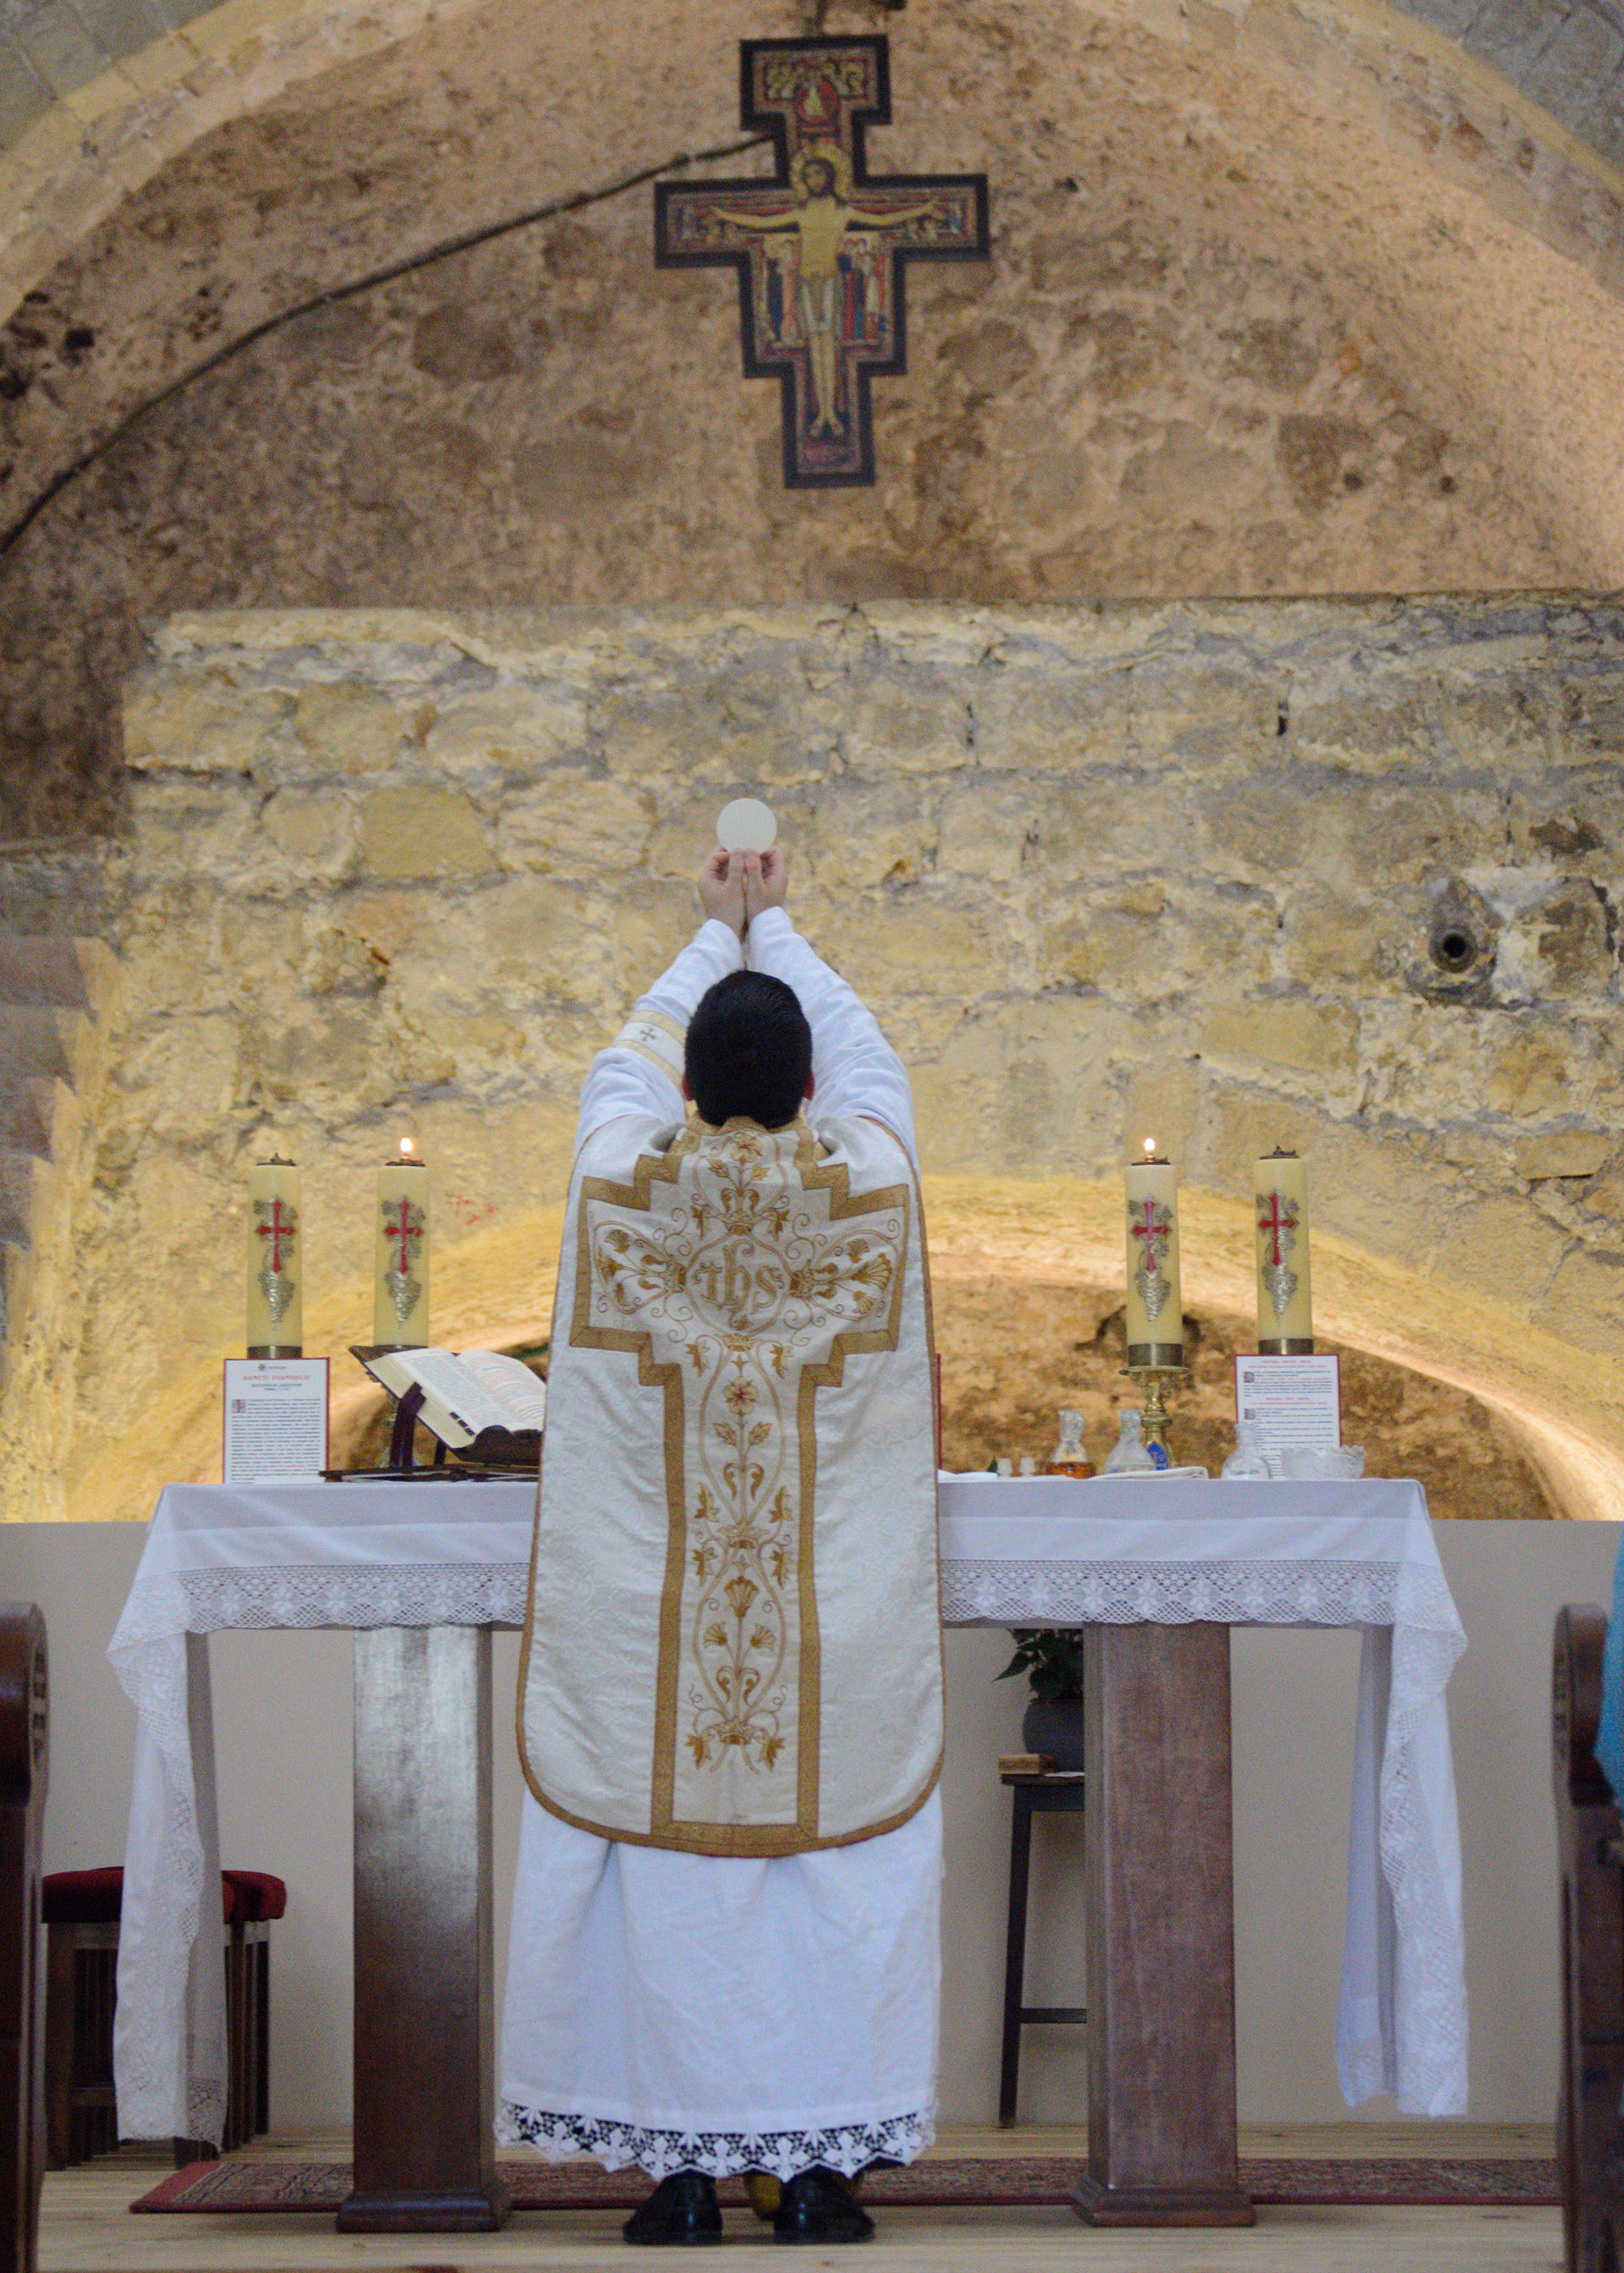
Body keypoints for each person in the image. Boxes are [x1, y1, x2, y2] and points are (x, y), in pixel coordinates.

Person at [501, 844, 942, 2247]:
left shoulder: (619, 1177)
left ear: (686, 1089)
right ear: (810, 1090)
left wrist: (711, 935)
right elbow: (875, 1057)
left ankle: (679, 2179)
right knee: (833, 1881)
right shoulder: (868, 1176)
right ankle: (818, 2179)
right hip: (829, 1630)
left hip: (657, 1627)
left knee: (664, 1886)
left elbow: (616, 1065)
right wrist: (784, 927)